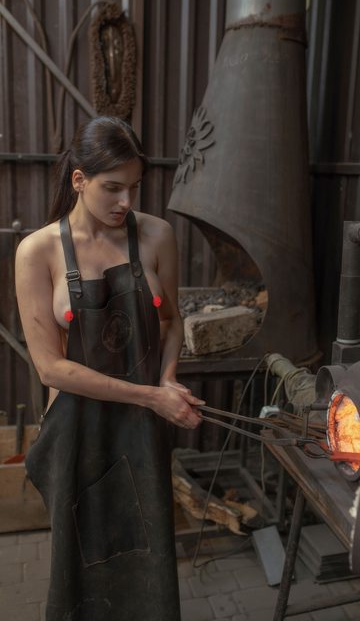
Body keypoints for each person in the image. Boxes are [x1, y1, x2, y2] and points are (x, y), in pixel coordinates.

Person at [15, 116, 204, 621]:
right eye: (112, 187)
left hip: (142, 431)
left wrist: (167, 378)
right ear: (79, 180)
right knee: (82, 569)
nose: (125, 201)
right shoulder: (37, 251)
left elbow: (171, 321)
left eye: (134, 187)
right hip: (77, 433)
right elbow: (51, 369)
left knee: (149, 562)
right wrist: (152, 396)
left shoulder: (157, 236)